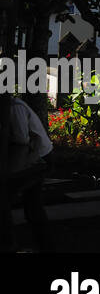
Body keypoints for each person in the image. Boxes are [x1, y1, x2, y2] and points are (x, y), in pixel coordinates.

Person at [0, 94, 54, 252]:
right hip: (33, 158)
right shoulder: (12, 106)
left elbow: (21, 139)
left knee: (24, 202)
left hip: (39, 158)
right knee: (32, 205)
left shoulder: (15, 108)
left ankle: (12, 242)